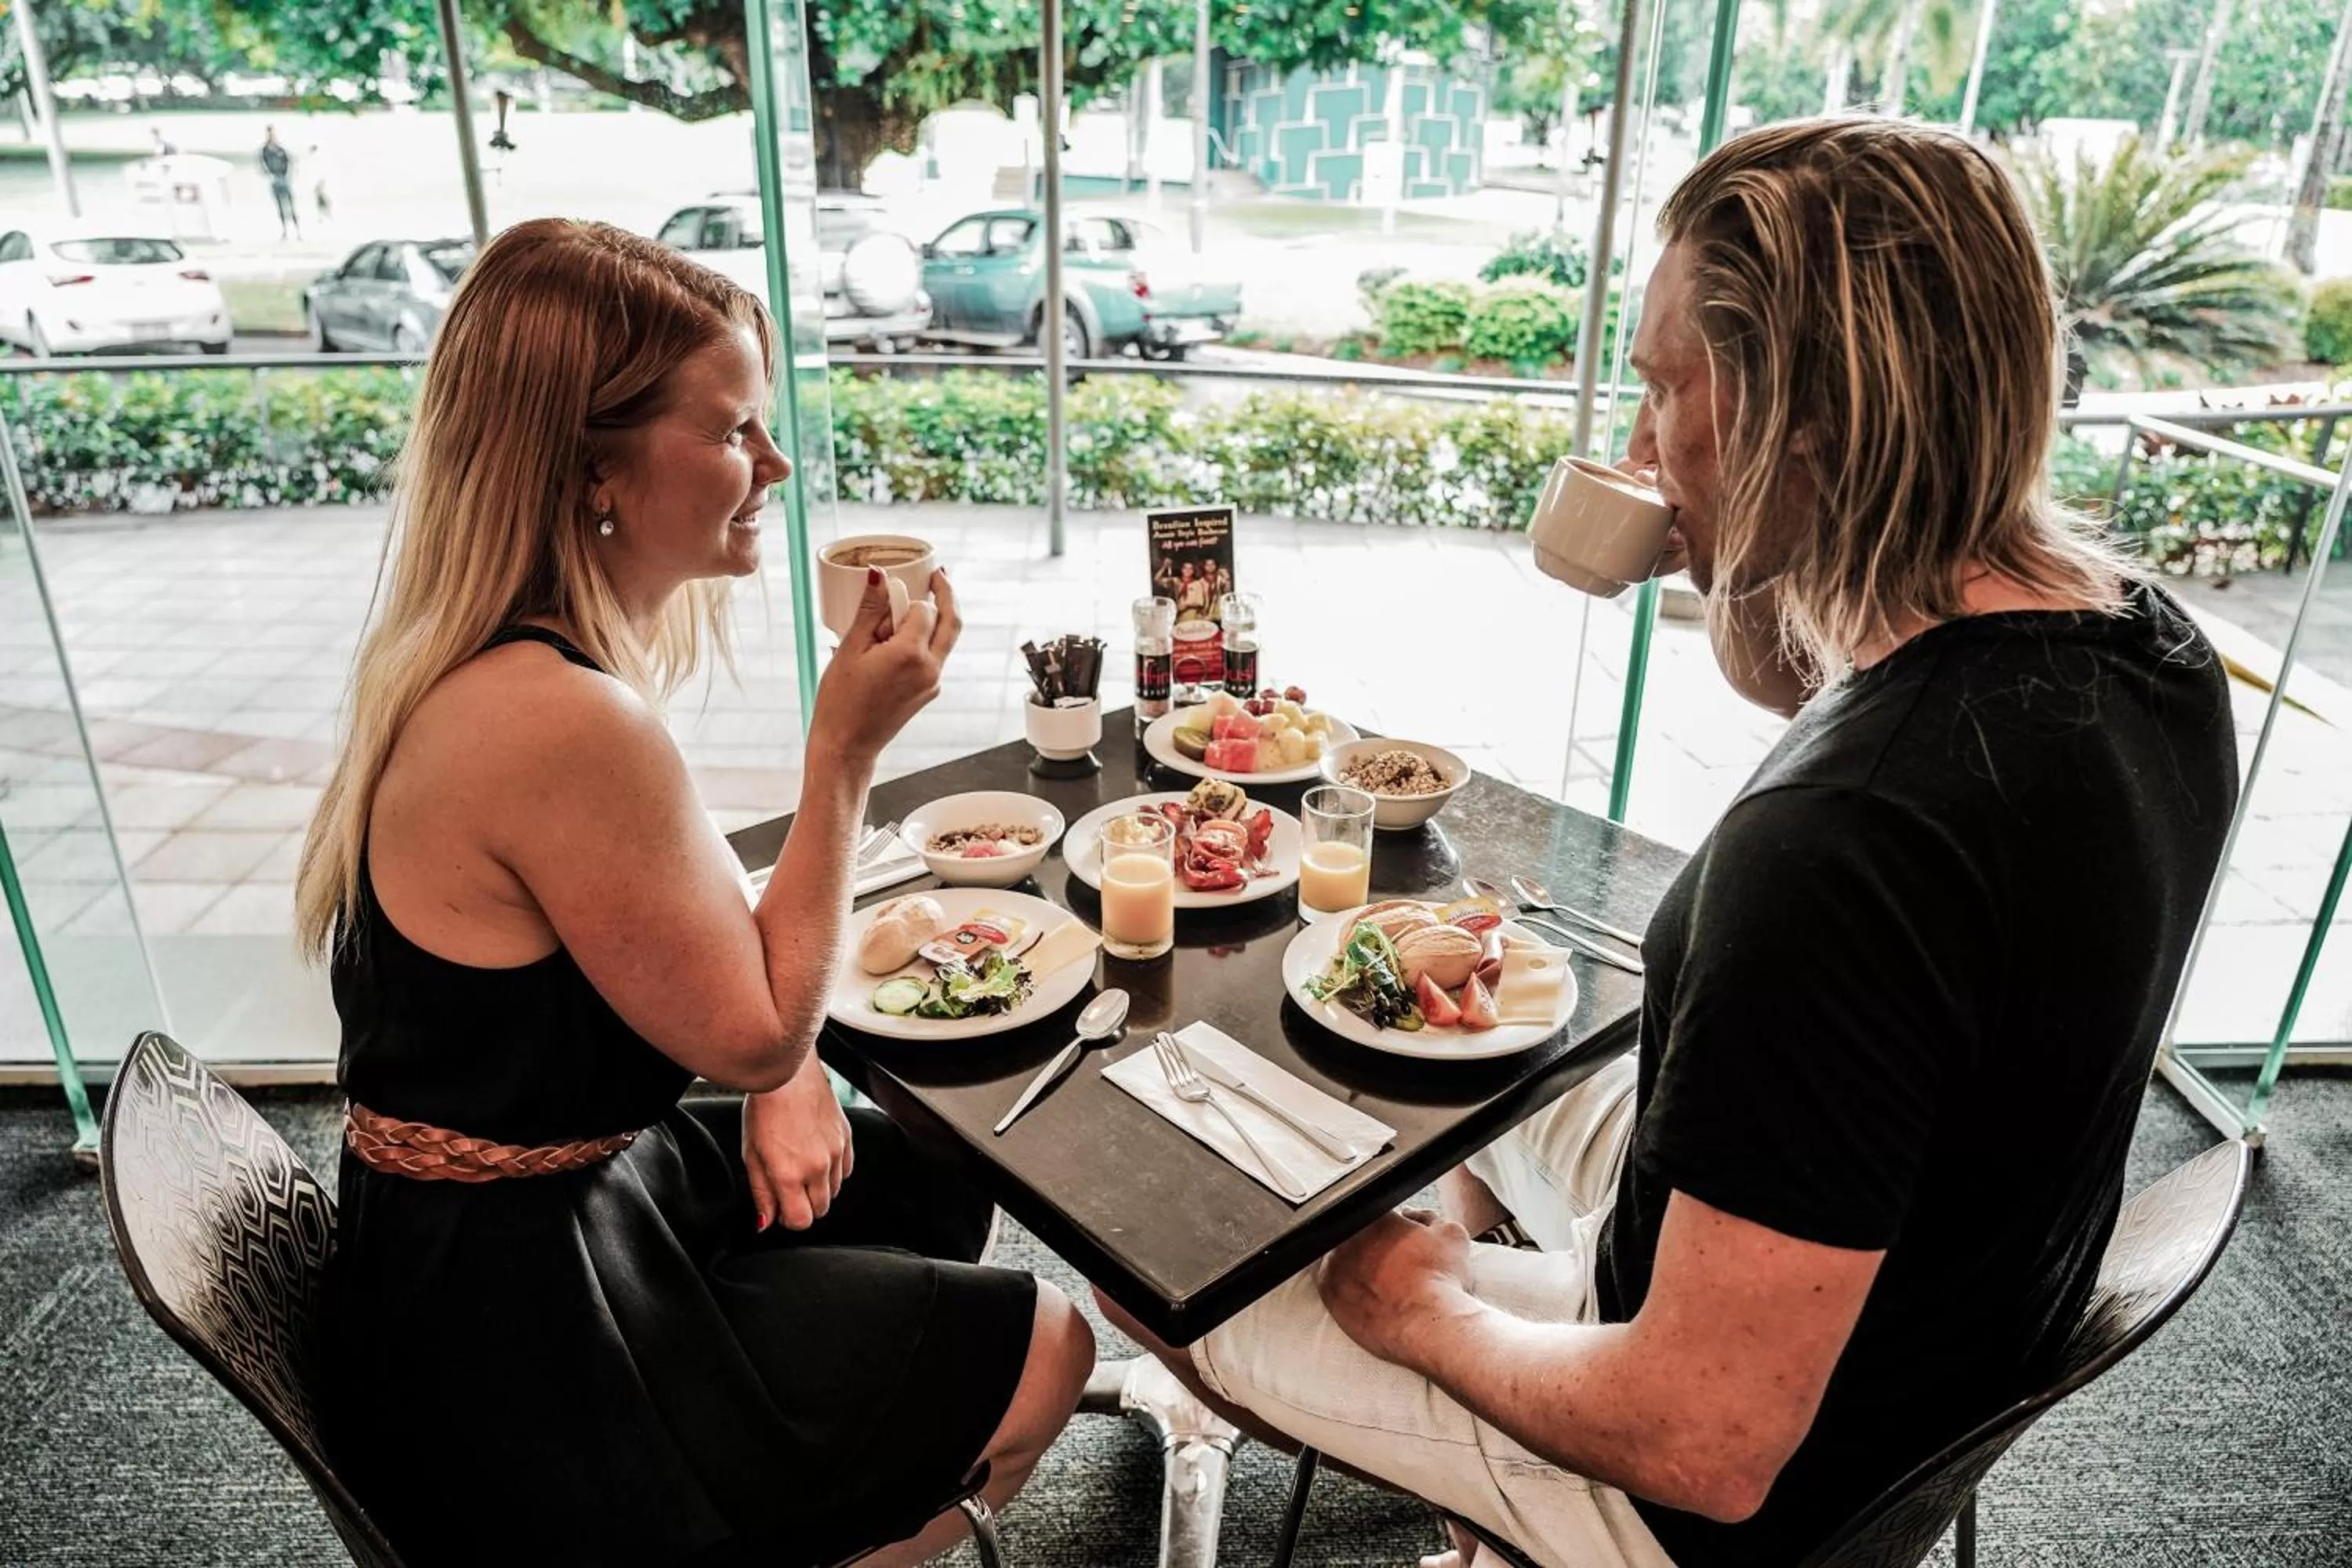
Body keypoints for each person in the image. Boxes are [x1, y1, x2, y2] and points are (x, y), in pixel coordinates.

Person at [1100, 118, 2239, 1567]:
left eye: (1661, 392)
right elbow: (1807, 688)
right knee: (1499, 1064)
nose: (1636, 447)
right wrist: (1744, 528)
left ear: (1798, 413)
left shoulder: (1840, 844)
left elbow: (1700, 1442)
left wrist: (1427, 1312)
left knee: (1167, 1267)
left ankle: (1474, 1468)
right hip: (1918, 1306)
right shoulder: (2149, 656)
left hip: (1705, 1470)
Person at [296, 218, 1094, 1565]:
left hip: (514, 1222)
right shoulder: (557, 719)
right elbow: (757, 1026)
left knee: (915, 1167)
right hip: (522, 1323)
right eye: (733, 432)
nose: (774, 467)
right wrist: (844, 754)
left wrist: (782, 1075)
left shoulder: (522, 662)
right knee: (1052, 1343)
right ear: (594, 469)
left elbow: (699, 922)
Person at [260, 126, 299, 239]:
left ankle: (297, 231)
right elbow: (263, 166)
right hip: (275, 182)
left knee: (291, 206)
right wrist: (271, 175)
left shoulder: (280, 150)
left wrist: (286, 176)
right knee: (280, 207)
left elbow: (289, 162)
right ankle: (285, 231)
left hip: (284, 180)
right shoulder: (265, 151)